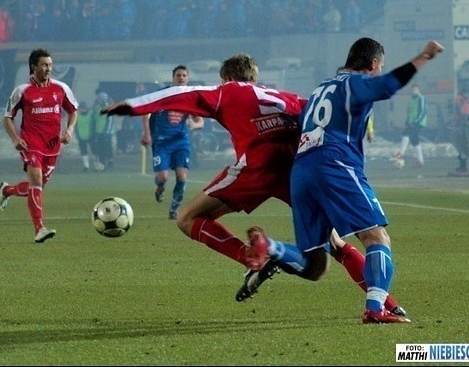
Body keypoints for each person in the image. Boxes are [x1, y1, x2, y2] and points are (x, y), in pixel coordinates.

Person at [101, 53, 406, 316]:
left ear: (229, 77)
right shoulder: (288, 98)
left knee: (187, 218)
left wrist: (132, 105)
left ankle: (251, 256)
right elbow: (323, 116)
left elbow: (182, 94)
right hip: (299, 172)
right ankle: (386, 302)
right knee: (329, 252)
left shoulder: (228, 91)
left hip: (258, 166)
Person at [250, 38, 444, 324]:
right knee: (376, 237)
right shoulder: (354, 83)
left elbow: (302, 123)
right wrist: (425, 56)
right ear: (373, 64)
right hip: (336, 164)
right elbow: (387, 86)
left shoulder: (319, 90)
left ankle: (271, 247)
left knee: (312, 260)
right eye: (380, 66)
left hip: (302, 169)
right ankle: (375, 308)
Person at [0, 48, 79, 243]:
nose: (49, 69)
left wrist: (69, 130)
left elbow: (73, 111)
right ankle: (39, 229)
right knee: (36, 181)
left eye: (50, 65)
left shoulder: (61, 88)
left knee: (38, 185)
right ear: (34, 67)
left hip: (52, 145)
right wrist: (16, 139)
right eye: (44, 65)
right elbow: (7, 118)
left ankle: (7, 190)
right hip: (31, 143)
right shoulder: (22, 91)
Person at [140, 65, 204, 220]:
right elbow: (144, 112)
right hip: (161, 142)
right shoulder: (162, 95)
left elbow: (200, 121)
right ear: (173, 77)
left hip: (181, 142)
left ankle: (174, 210)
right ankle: (160, 187)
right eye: (178, 75)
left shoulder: (190, 99)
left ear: (187, 78)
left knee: (182, 177)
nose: (181, 78)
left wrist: (194, 125)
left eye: (184, 75)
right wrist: (147, 133)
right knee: (163, 177)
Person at [394, 84, 427, 168]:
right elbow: (410, 112)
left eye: (415, 89)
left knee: (406, 134)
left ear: (419, 90)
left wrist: (416, 121)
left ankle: (401, 153)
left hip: (418, 122)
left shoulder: (421, 98)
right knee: (414, 139)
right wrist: (407, 122)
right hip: (411, 122)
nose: (413, 91)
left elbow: (423, 111)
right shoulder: (411, 100)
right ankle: (420, 161)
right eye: (412, 90)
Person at [92, 92, 115, 171]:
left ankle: (109, 163)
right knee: (100, 148)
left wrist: (107, 132)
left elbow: (110, 120)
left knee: (107, 148)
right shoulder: (97, 107)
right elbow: (95, 119)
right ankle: (102, 164)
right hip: (99, 132)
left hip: (107, 132)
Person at [75, 101, 93, 172]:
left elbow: (93, 125)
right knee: (84, 152)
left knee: (93, 151)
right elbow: (76, 127)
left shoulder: (90, 115)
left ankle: (97, 165)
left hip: (90, 136)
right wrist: (77, 135)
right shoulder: (77, 116)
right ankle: (86, 166)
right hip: (81, 137)